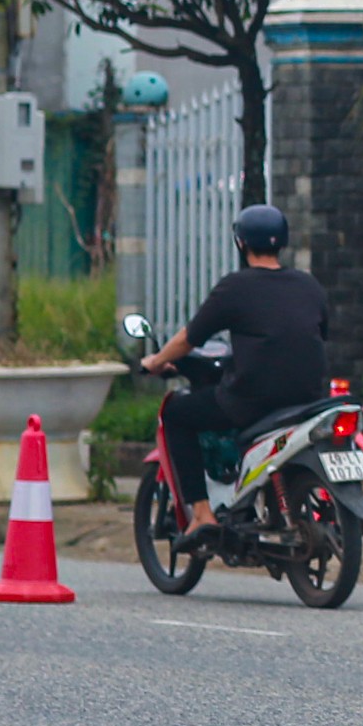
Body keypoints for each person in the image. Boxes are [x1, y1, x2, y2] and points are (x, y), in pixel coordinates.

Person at [139, 204, 331, 540]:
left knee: (177, 413)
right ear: (282, 242)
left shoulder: (235, 287)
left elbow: (188, 338)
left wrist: (155, 362)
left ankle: (201, 514)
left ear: (241, 244)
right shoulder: (309, 285)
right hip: (309, 399)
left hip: (253, 402)